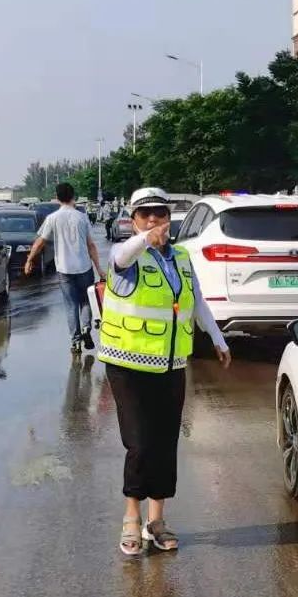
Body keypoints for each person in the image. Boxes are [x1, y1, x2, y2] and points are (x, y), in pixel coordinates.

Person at [101, 187, 231, 557]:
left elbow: (195, 300)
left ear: (169, 217)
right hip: (127, 364)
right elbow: (125, 254)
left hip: (170, 363)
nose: (154, 220)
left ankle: (156, 520)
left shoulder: (183, 257)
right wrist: (145, 239)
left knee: (164, 443)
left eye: (160, 214)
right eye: (145, 215)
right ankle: (131, 517)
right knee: (139, 442)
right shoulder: (126, 255)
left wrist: (218, 339)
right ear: (133, 220)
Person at [24, 182, 102, 353]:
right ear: (73, 197)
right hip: (84, 267)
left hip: (64, 270)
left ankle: (75, 341)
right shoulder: (82, 217)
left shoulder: (52, 218)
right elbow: (91, 246)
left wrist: (30, 259)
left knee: (71, 305)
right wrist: (99, 269)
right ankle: (86, 328)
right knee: (85, 301)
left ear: (57, 197)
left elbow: (40, 242)